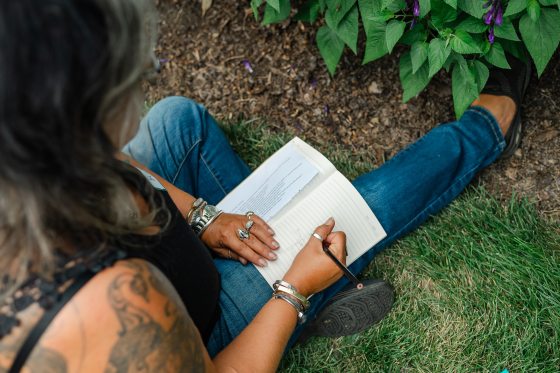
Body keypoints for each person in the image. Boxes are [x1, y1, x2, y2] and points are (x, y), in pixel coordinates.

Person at [0, 0, 531, 372]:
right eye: (128, 79)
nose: (141, 81)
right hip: (196, 324)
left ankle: (276, 249)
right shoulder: (112, 308)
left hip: (148, 246)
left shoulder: (22, 142)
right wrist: (295, 287)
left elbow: (116, 160)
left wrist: (202, 217)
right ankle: (486, 128)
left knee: (175, 121)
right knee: (352, 213)